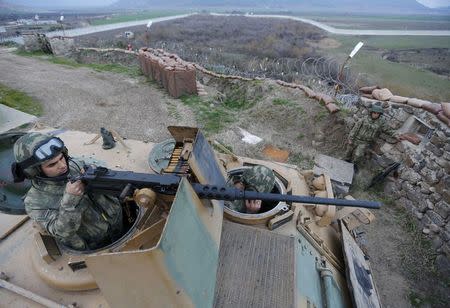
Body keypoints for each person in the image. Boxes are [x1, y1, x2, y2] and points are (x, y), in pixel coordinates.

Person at [11, 133, 123, 251]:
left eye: (61, 157)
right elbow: (62, 232)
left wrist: (98, 173)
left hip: (119, 222)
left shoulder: (76, 165)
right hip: (96, 246)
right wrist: (70, 201)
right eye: (52, 164)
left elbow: (112, 180)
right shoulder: (34, 202)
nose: (63, 165)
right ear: (35, 171)